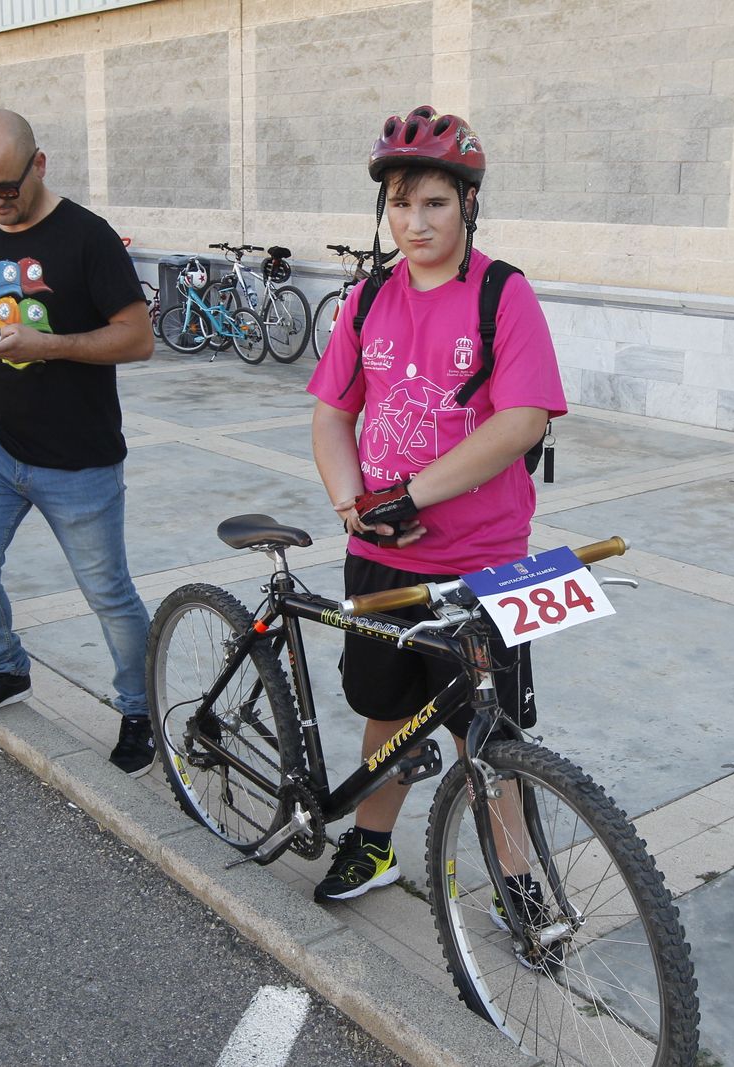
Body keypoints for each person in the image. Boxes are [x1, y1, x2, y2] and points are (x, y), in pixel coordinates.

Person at [304, 106, 566, 905]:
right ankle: (372, 844)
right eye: (399, 204)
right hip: (380, 557)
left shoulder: (502, 294)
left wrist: (408, 494)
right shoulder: (369, 297)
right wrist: (353, 501)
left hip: (486, 563)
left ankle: (519, 882)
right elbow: (330, 415)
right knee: (385, 711)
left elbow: (523, 420)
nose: (414, 222)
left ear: (469, 204)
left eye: (435, 204)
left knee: (492, 734)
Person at [0, 108, 156, 774]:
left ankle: (139, 708)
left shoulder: (87, 239)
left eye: (9, 185)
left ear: (39, 163)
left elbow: (138, 337)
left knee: (108, 594)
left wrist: (48, 346)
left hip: (80, 460)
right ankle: (5, 668)